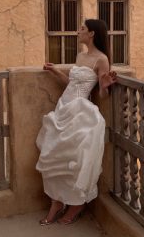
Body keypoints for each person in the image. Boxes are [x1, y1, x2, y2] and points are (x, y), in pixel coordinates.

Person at [36, 19, 117, 225]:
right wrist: (55, 71)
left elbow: (101, 94)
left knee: (75, 160)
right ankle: (56, 203)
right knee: (53, 154)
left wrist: (105, 85)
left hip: (81, 112)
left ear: (92, 34)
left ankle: (76, 205)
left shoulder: (102, 59)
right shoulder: (80, 55)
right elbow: (71, 83)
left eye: (82, 29)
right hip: (64, 108)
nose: (78, 31)